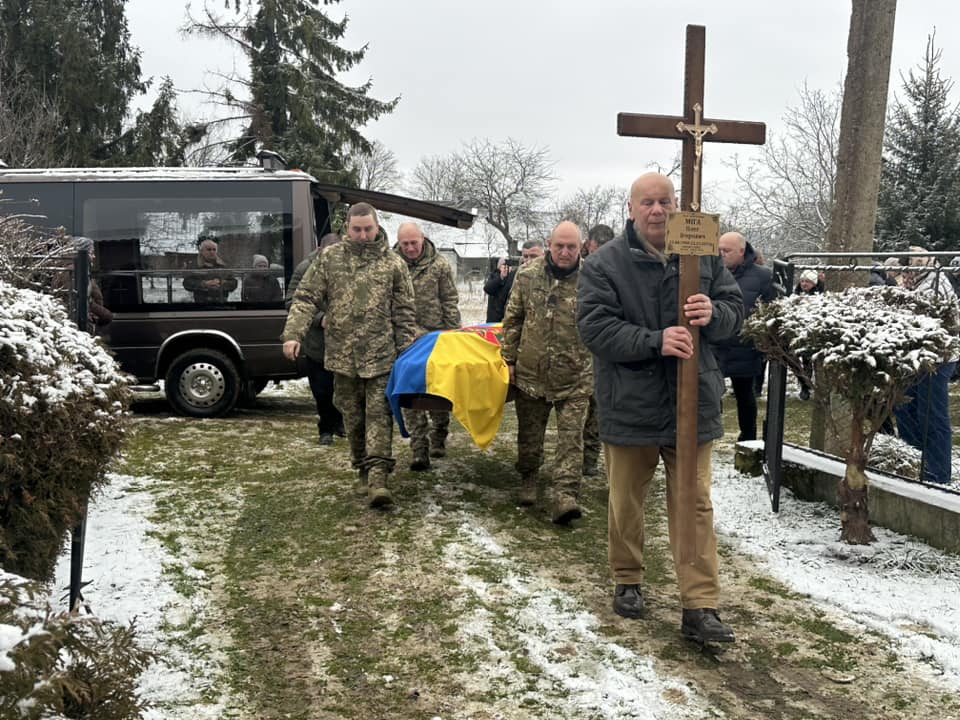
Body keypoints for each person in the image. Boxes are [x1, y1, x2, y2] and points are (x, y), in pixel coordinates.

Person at [576, 172, 743, 644]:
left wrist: (716, 313)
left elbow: (734, 309)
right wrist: (654, 340)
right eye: (647, 202)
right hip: (630, 404)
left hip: (695, 401)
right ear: (630, 209)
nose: (657, 210)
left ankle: (700, 605)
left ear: (678, 207)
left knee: (694, 504)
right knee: (627, 499)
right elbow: (595, 328)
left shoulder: (703, 252)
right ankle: (627, 578)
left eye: (665, 201)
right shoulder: (604, 265)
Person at [283, 204, 417, 507]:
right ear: (347, 229)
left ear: (376, 227)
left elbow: (405, 312)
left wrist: (405, 350)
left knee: (380, 417)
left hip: (382, 357)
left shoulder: (393, 264)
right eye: (356, 229)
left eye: (367, 229)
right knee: (353, 418)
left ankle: (378, 478)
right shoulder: (330, 260)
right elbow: (305, 298)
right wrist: (293, 334)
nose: (362, 235)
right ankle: (361, 466)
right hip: (343, 357)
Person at [501, 221, 593, 524]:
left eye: (571, 247)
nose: (565, 252)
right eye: (559, 246)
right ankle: (528, 477)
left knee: (571, 439)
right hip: (531, 373)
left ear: (581, 247)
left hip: (576, 374)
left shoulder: (594, 278)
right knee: (530, 436)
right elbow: (513, 319)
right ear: (549, 245)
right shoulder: (527, 276)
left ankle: (565, 494)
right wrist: (509, 360)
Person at [394, 222, 462, 470]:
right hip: (405, 338)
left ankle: (439, 435)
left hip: (436, 338)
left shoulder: (440, 265)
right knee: (409, 393)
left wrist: (453, 334)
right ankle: (418, 448)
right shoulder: (392, 264)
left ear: (423, 239)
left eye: (414, 243)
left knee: (438, 390)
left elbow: (450, 300)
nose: (410, 248)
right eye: (405, 244)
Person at [895, 247, 958, 484]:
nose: (913, 266)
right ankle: (914, 460)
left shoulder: (936, 283)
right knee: (905, 408)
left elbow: (942, 323)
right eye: (911, 262)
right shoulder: (913, 283)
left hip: (937, 359)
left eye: (918, 262)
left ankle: (938, 473)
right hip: (914, 357)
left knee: (932, 415)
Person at [715, 231, 778, 442]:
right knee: (711, 392)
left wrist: (760, 337)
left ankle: (749, 439)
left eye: (727, 250)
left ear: (742, 251)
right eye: (719, 249)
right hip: (716, 344)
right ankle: (710, 434)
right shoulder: (712, 271)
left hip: (745, 346)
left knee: (745, 395)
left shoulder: (763, 276)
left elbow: (773, 309)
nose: (722, 254)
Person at [286, 233, 344, 446]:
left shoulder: (347, 267)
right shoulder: (305, 269)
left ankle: (339, 422)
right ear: (320, 250)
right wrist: (320, 319)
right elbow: (293, 302)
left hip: (343, 342)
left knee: (342, 388)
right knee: (321, 390)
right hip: (317, 343)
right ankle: (325, 429)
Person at [580, 225, 615, 476]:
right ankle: (572, 458)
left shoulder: (615, 269)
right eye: (596, 248)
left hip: (601, 351)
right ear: (588, 244)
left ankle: (589, 459)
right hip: (572, 351)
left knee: (597, 409)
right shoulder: (578, 267)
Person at [483, 239, 545, 322]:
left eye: (534, 256)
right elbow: (489, 289)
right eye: (526, 256)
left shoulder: (551, 278)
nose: (529, 260)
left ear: (543, 255)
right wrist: (500, 276)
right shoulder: (510, 274)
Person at [183, 236, 237, 303]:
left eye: (214, 249)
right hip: (201, 304)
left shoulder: (224, 265)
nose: (212, 252)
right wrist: (204, 284)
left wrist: (222, 283)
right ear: (202, 251)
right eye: (209, 249)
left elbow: (234, 283)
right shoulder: (194, 265)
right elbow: (187, 283)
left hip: (222, 304)